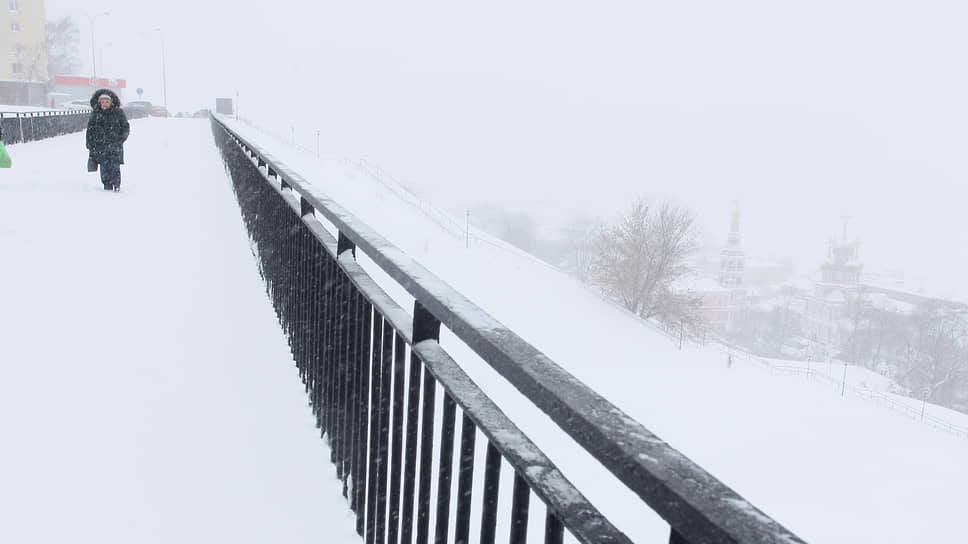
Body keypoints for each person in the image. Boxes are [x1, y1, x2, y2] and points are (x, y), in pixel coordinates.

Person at [86, 88, 129, 192]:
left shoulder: (118, 113)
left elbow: (125, 127)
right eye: (103, 101)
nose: (105, 104)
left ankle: (116, 184)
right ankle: (107, 185)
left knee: (115, 166)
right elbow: (90, 129)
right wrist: (90, 143)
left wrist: (120, 139)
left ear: (111, 102)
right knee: (104, 167)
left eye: (107, 101)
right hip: (100, 145)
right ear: (99, 102)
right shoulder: (95, 114)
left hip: (115, 145)